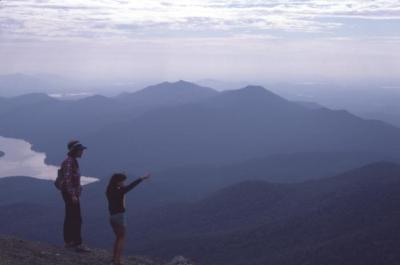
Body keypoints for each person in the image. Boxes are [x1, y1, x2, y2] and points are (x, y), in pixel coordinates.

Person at [106, 172, 151, 265]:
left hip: (111, 216)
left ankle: (114, 259)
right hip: (120, 216)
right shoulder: (120, 191)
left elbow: (125, 187)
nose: (124, 183)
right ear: (118, 182)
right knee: (122, 238)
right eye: (122, 181)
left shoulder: (109, 189)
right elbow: (131, 186)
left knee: (118, 238)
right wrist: (141, 178)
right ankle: (117, 261)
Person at [61, 140, 90, 252]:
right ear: (74, 151)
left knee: (71, 216)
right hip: (70, 194)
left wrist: (79, 188)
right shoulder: (69, 162)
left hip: (71, 193)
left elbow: (71, 179)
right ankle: (75, 243)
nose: (82, 152)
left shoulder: (73, 161)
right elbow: (68, 180)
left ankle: (70, 242)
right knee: (76, 218)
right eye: (80, 150)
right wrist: (73, 195)